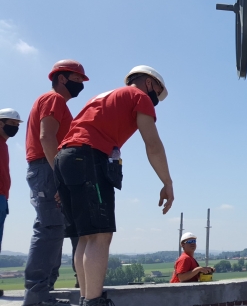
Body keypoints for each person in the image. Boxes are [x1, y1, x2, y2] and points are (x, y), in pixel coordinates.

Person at [54, 65, 174, 306]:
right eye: (157, 91)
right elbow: (153, 144)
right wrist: (167, 182)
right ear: (148, 83)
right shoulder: (139, 96)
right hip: (88, 157)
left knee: (86, 237)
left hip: (65, 158)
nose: (156, 99)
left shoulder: (104, 97)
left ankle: (87, 299)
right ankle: (94, 302)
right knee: (100, 236)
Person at [23, 60, 88, 306]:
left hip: (47, 168)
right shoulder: (54, 100)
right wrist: (60, 176)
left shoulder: (55, 102)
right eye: (78, 79)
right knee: (49, 228)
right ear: (62, 78)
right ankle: (37, 299)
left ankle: (44, 294)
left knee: (55, 229)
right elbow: (46, 136)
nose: (81, 84)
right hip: (47, 168)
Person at [0, 108, 23, 298]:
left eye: (16, 125)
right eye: (11, 123)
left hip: (2, 197)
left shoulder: (4, 145)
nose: (14, 127)